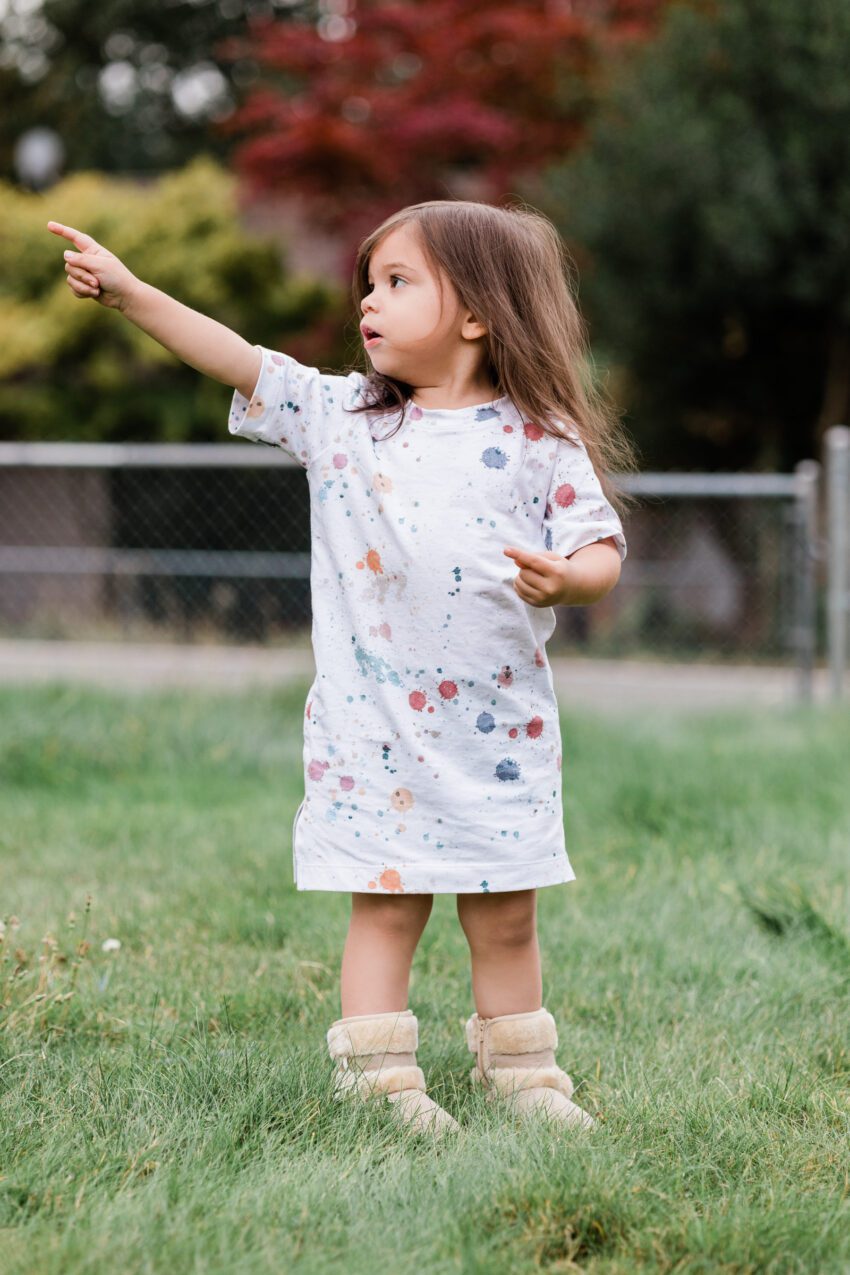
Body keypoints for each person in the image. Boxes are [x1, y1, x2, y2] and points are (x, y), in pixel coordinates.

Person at [47, 199, 637, 1138]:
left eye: (397, 281)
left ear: (477, 314)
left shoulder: (541, 437)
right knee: (388, 909)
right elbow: (237, 357)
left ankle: (524, 1077)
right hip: (375, 734)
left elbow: (599, 550)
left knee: (507, 914)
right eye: (368, 282)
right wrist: (130, 293)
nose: (367, 300)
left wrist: (570, 579)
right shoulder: (344, 419)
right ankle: (379, 1082)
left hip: (499, 737)